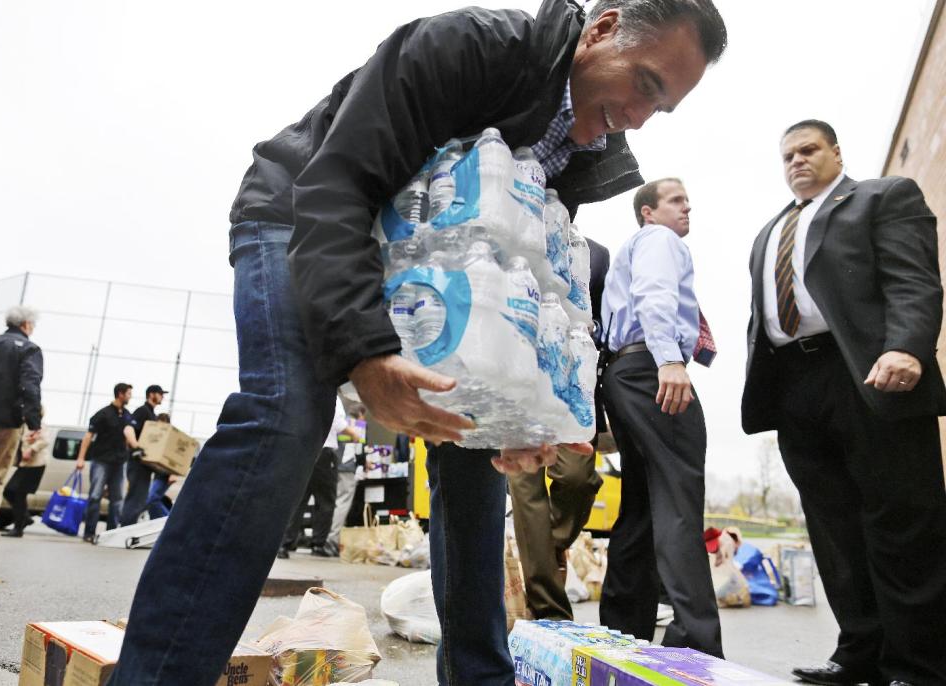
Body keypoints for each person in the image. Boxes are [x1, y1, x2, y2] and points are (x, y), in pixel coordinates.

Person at [108, 2, 727, 684]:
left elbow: (510, 278)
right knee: (287, 415)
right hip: (302, 217)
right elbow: (338, 182)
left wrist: (515, 416)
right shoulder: (471, 47)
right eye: (645, 84)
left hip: (426, 273)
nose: (640, 117)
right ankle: (159, 675)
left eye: (661, 108)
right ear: (603, 29)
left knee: (475, 454)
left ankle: (478, 677)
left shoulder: (581, 151)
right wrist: (366, 353)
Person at [742, 119, 946, 686]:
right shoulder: (770, 230)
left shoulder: (883, 196)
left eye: (808, 151)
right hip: (793, 386)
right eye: (787, 156)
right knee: (833, 528)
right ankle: (859, 649)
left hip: (867, 371)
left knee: (901, 522)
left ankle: (919, 665)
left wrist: (908, 347)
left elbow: (915, 281)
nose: (796, 162)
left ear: (836, 152)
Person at [599, 178, 722, 657]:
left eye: (688, 200)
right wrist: (669, 359)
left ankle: (623, 630)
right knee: (678, 498)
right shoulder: (658, 240)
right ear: (648, 212)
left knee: (643, 504)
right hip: (652, 367)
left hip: (626, 370)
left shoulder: (641, 243)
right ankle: (694, 643)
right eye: (675, 200)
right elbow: (655, 295)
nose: (687, 207)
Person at [507, 236, 609, 621]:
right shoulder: (517, 236)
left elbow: (601, 324)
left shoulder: (595, 254)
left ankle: (544, 550)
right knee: (527, 491)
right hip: (520, 381)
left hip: (573, 390)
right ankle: (550, 612)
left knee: (578, 478)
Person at [0, 305, 42, 550]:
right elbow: (29, 386)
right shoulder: (29, 349)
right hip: (6, 423)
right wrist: (33, 422)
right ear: (27, 325)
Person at [277, 395, 360, 558]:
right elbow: (337, 423)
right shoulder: (332, 397)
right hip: (324, 451)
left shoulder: (302, 393)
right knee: (325, 500)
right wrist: (355, 434)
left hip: (302, 451)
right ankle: (318, 544)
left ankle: (285, 544)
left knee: (298, 499)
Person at [75, 383, 143, 542]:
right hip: (101, 461)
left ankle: (110, 535)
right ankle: (89, 533)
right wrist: (80, 458)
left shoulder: (127, 415)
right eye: (128, 393)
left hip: (120, 463)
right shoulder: (102, 414)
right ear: (120, 394)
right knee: (95, 496)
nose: (130, 396)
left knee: (117, 499)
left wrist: (136, 447)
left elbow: (129, 433)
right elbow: (88, 437)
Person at [120, 384, 167, 526]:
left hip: (145, 465)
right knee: (135, 498)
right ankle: (125, 531)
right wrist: (136, 447)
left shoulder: (152, 414)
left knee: (139, 500)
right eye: (160, 394)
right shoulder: (143, 411)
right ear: (151, 394)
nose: (162, 397)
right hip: (137, 463)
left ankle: (128, 529)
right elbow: (128, 429)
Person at [1, 412, 51, 538]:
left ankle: (19, 528)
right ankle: (25, 519)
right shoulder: (24, 425)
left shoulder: (38, 424)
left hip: (36, 464)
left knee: (16, 492)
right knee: (11, 492)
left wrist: (31, 449)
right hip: (25, 464)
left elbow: (45, 440)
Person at [328, 406, 368, 551]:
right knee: (343, 502)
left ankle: (327, 536)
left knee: (334, 501)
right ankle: (332, 538)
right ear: (361, 414)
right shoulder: (358, 426)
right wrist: (362, 464)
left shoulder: (341, 422)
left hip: (334, 464)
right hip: (348, 468)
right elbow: (360, 449)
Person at [144, 412, 174, 519]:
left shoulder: (171, 438)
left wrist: (173, 474)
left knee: (152, 499)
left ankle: (170, 521)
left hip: (166, 475)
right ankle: (155, 522)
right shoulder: (159, 438)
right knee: (154, 500)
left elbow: (176, 457)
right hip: (158, 474)